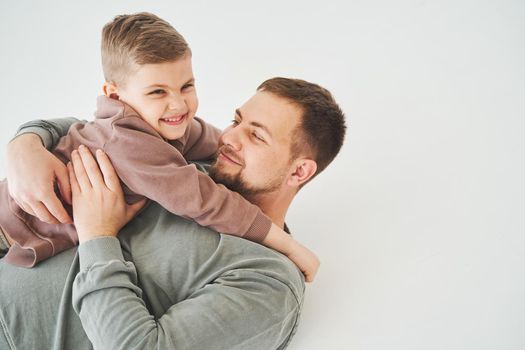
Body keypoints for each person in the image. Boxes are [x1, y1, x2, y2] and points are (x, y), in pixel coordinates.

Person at [0, 77, 345, 349]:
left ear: (299, 172)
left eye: (255, 135)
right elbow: (111, 132)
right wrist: (27, 142)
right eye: (235, 120)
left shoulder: (269, 284)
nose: (229, 137)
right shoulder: (192, 168)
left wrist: (98, 236)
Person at [0, 12, 317, 280]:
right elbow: (206, 201)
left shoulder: (162, 124)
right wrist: (289, 245)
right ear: (114, 95)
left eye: (187, 86)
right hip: (9, 224)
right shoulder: (130, 144)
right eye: (157, 92)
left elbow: (215, 141)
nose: (178, 104)